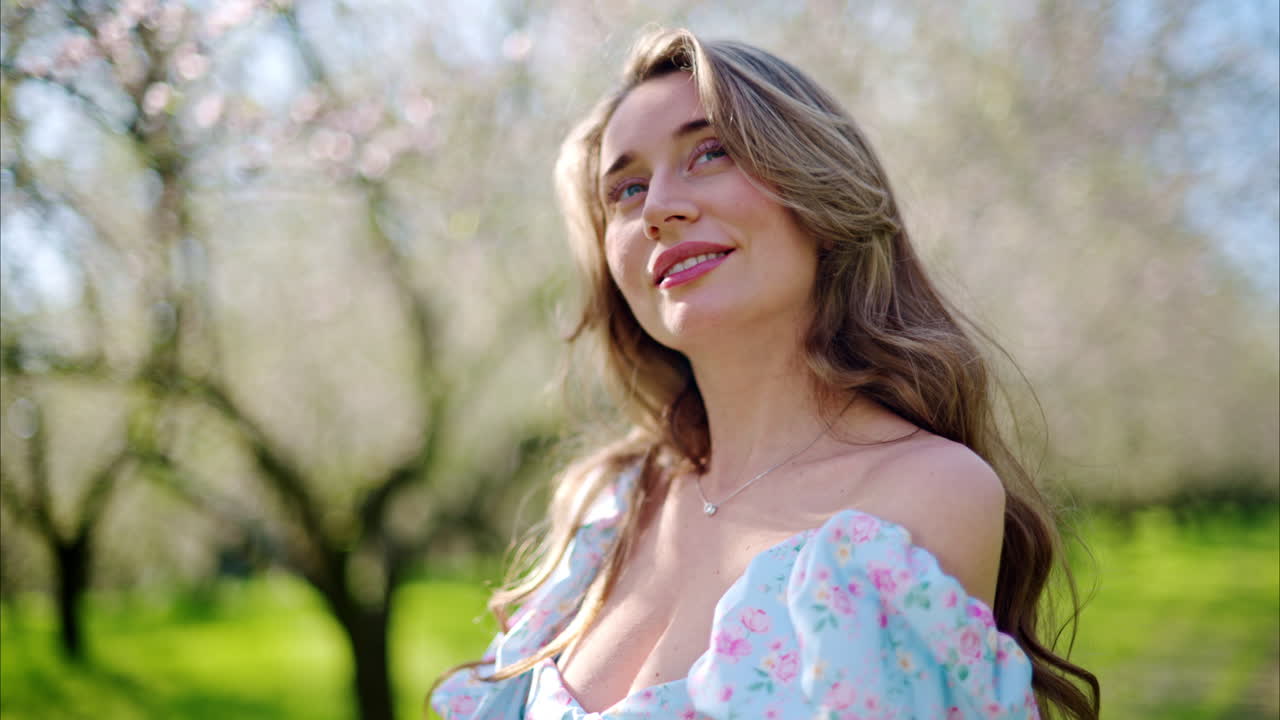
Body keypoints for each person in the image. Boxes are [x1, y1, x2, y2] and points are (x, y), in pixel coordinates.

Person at [430, 27, 1099, 720]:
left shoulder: (921, 495)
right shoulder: (604, 502)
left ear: (818, 188)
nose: (658, 208)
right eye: (626, 190)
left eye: (710, 152)